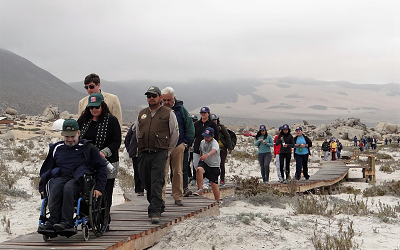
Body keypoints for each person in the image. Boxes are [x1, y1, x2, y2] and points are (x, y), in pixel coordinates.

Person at [37, 119, 107, 235]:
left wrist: (99, 188)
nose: (69, 139)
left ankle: (67, 222)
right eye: (66, 136)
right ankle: (53, 221)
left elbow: (101, 167)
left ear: (78, 133)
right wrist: (42, 187)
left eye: (72, 136)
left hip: (79, 179)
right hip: (61, 176)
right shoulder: (56, 148)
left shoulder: (88, 147)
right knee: (54, 186)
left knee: (68, 188)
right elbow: (46, 170)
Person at [135, 86, 179, 224]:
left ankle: (154, 211)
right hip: (143, 153)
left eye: (154, 95)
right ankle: (158, 204)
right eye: (148, 96)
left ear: (160, 97)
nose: (151, 98)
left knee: (156, 182)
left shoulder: (168, 113)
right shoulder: (142, 113)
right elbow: (137, 132)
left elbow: (174, 134)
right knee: (146, 181)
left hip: (159, 153)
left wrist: (167, 151)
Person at [77, 93, 121, 229]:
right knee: (87, 190)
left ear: (102, 106)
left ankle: (104, 220)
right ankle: (90, 218)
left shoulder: (112, 121)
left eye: (96, 107)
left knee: (105, 190)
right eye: (91, 108)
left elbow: (116, 141)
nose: (94, 110)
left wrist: (103, 152)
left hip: (107, 162)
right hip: (88, 162)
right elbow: (77, 136)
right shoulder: (83, 120)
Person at [161, 87, 195, 205]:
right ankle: (161, 198)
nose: (166, 102)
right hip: (163, 146)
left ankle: (178, 196)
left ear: (174, 98)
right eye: (164, 100)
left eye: (168, 100)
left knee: (178, 171)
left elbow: (190, 127)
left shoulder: (181, 110)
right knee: (162, 172)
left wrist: (186, 143)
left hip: (178, 144)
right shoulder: (159, 110)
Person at [193, 127, 221, 204]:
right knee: (199, 169)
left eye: (208, 137)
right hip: (205, 163)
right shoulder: (202, 142)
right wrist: (202, 157)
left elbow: (214, 151)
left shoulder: (214, 143)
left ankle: (218, 201)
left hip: (214, 165)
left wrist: (207, 155)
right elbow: (201, 151)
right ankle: (199, 189)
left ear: (212, 136)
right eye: (205, 136)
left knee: (214, 184)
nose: (206, 138)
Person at [193, 107, 219, 188]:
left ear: (208, 113)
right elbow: (193, 135)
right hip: (198, 147)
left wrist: (215, 147)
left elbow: (216, 136)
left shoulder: (212, 124)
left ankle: (205, 182)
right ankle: (200, 182)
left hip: (209, 149)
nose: (203, 114)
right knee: (196, 165)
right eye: (202, 113)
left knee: (206, 165)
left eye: (205, 113)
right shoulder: (196, 124)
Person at [211, 114, 234, 186]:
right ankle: (212, 179)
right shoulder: (209, 128)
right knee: (213, 164)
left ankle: (222, 179)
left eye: (215, 120)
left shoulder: (222, 128)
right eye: (213, 120)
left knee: (221, 164)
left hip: (222, 148)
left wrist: (230, 147)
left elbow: (228, 137)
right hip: (213, 149)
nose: (214, 121)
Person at [124, 123, 144, 196]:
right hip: (135, 153)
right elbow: (127, 139)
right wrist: (129, 150)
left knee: (145, 171)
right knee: (137, 171)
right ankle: (139, 190)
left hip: (145, 153)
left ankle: (146, 188)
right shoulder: (134, 126)